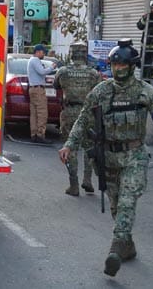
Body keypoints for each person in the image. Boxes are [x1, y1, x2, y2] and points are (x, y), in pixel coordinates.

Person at [58, 38, 153, 277]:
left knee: (127, 201)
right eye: (114, 66)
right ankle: (127, 245)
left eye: (123, 66)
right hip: (109, 157)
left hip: (135, 156)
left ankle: (115, 250)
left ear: (132, 66)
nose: (118, 69)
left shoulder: (147, 92)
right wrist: (70, 144)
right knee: (116, 206)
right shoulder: (101, 91)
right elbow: (83, 119)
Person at [53, 42, 102, 196]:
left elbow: (56, 86)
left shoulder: (63, 71)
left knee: (70, 148)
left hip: (70, 112)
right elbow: (100, 92)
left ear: (71, 54)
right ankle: (88, 180)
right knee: (89, 147)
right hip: (88, 113)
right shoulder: (94, 73)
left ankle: (73, 185)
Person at [27, 43, 58, 144]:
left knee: (34, 113)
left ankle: (34, 134)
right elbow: (42, 72)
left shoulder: (31, 61)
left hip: (33, 89)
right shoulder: (35, 60)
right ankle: (40, 134)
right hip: (38, 90)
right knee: (42, 113)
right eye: (42, 52)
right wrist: (52, 67)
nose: (43, 54)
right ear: (37, 52)